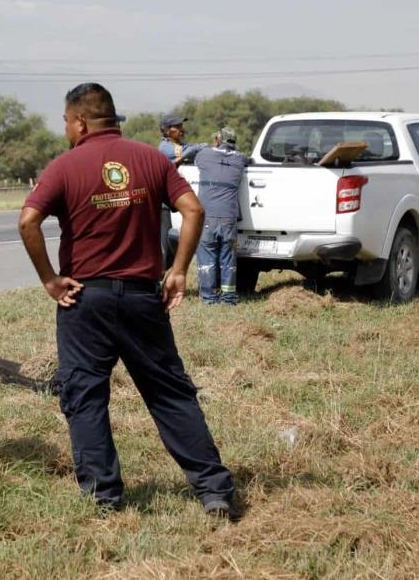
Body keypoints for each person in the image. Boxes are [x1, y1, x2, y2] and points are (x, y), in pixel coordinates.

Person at [19, 83, 238, 518]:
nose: (65, 128)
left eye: (65, 120)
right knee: (170, 394)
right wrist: (177, 271)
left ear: (81, 121)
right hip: (143, 298)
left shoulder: (64, 166)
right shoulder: (151, 158)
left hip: (86, 300)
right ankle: (214, 491)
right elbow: (194, 210)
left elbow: (28, 220)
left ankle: (105, 499)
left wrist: (49, 279)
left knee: (85, 397)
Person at [194, 127, 249, 305]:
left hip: (207, 215)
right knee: (228, 258)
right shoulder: (240, 159)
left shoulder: (203, 156)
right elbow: (246, 158)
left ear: (217, 140)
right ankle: (228, 297)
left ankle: (209, 297)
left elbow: (194, 155)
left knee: (207, 256)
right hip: (229, 217)